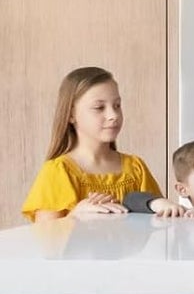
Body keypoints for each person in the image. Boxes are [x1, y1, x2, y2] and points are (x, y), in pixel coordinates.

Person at [21, 67, 161, 222]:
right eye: (99, 108)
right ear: (71, 115)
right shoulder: (58, 172)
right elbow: (46, 239)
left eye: (117, 105)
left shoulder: (137, 168)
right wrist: (75, 217)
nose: (113, 115)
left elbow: (159, 224)